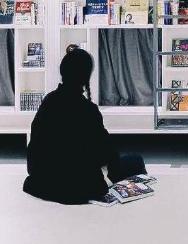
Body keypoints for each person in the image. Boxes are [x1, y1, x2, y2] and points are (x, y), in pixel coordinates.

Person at [23, 47, 146, 205]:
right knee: (136, 160)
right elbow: (105, 152)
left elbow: (35, 145)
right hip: (78, 187)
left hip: (42, 182)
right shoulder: (88, 109)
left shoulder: (48, 101)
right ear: (86, 76)